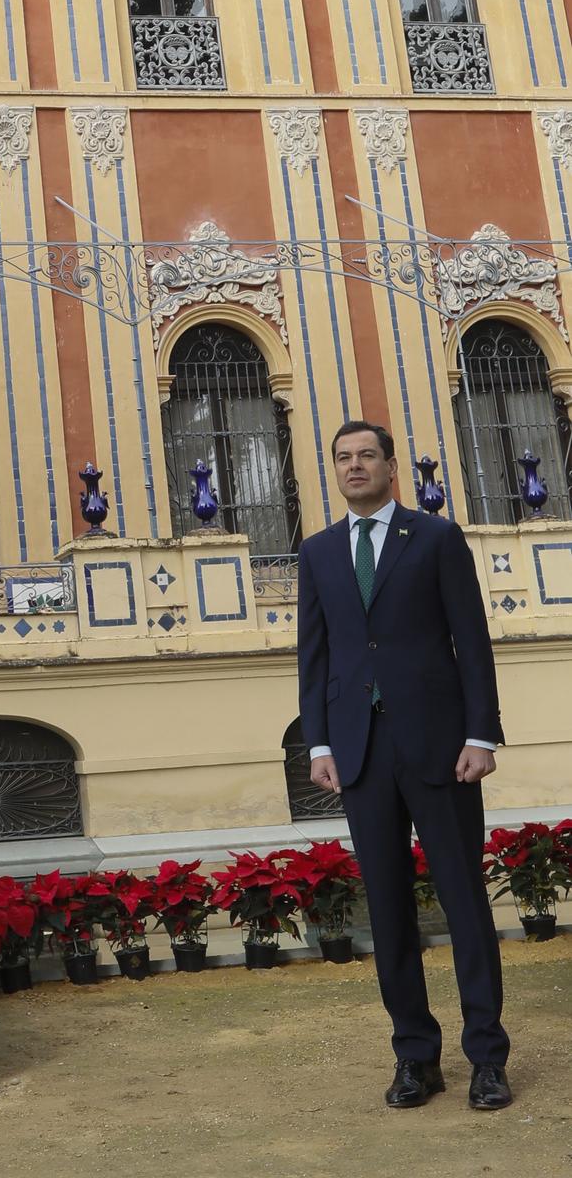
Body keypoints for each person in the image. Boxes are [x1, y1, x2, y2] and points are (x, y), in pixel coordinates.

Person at [297, 420, 510, 1112]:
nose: (354, 466)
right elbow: (315, 655)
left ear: (391, 467)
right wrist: (319, 744)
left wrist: (480, 734)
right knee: (386, 910)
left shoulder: (435, 538)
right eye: (342, 458)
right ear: (333, 470)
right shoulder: (319, 552)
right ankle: (415, 1058)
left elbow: (470, 640)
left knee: (463, 902)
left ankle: (486, 1057)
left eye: (366, 455)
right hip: (359, 751)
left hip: (440, 747)